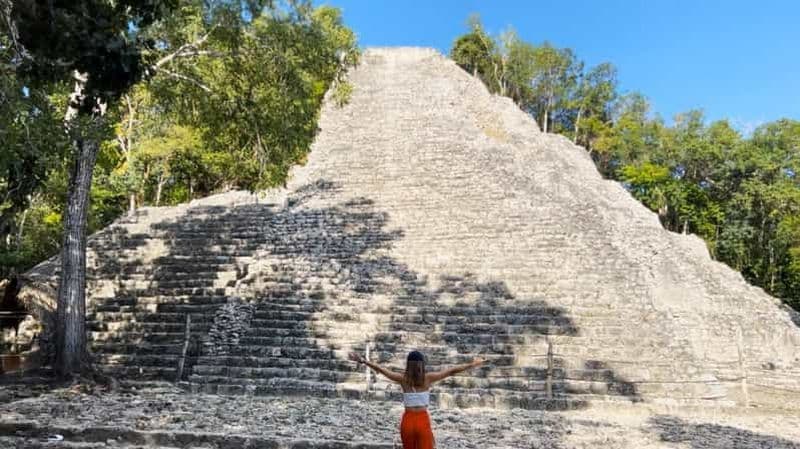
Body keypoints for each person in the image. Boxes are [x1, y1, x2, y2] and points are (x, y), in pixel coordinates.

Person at [348, 350, 486, 449]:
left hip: (407, 421)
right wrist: (473, 364)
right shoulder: (428, 378)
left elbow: (382, 370)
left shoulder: (403, 379)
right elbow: (451, 371)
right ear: (422, 364)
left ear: (408, 364)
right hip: (422, 419)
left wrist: (363, 361)